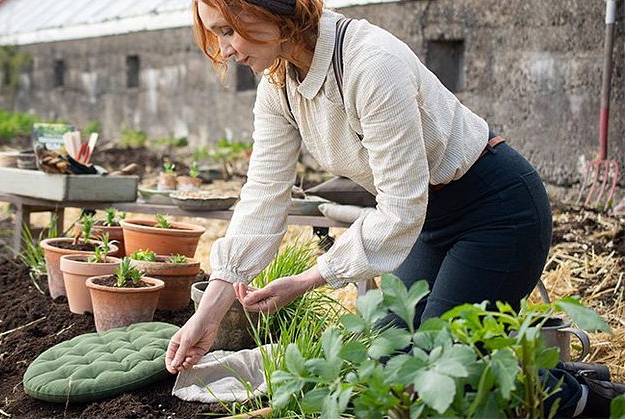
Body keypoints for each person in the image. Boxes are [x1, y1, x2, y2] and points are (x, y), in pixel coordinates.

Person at [165, 0, 624, 416]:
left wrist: (308, 280)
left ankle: (592, 403)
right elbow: (263, 195)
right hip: (429, 219)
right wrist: (206, 316)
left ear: (271, 9)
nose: (224, 50)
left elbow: (401, 210)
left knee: (442, 363)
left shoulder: (370, 63)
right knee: (388, 355)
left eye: (227, 30)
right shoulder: (279, 85)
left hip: (495, 208)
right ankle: (576, 381)